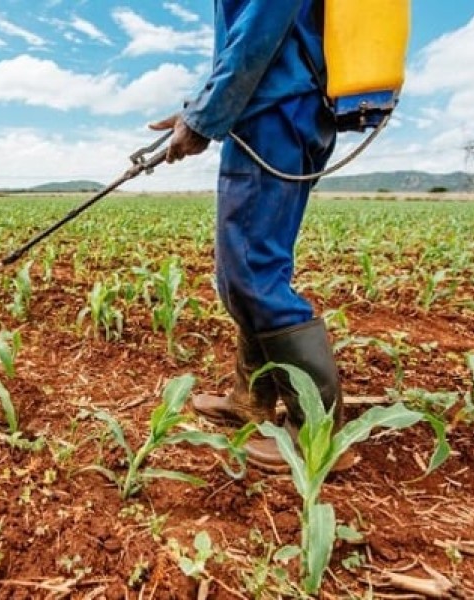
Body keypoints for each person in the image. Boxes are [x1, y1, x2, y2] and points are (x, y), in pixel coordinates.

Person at [149, 0, 354, 472]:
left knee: (252, 272)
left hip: (275, 112)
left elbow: (261, 28)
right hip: (285, 109)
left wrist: (204, 117)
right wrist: (198, 108)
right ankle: (251, 398)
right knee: (250, 271)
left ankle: (318, 435)